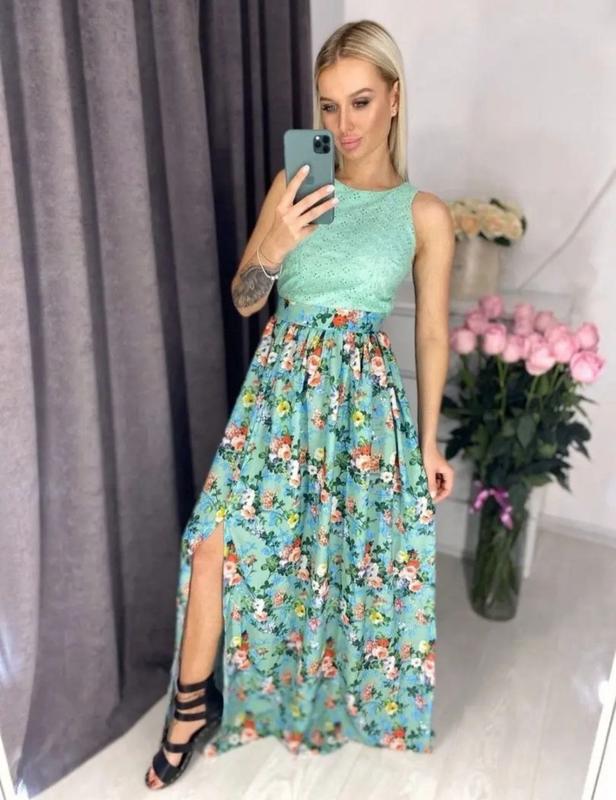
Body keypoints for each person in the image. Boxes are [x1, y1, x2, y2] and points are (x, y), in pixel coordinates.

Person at [145, 18, 455, 790]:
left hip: (363, 407)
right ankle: (188, 710)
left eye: (360, 102)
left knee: (343, 563)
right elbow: (246, 297)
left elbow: (431, 334)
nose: (343, 124)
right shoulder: (295, 190)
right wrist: (276, 243)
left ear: (393, 98)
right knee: (214, 542)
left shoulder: (424, 214)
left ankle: (318, 697)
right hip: (279, 396)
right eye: (328, 106)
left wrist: (427, 443)